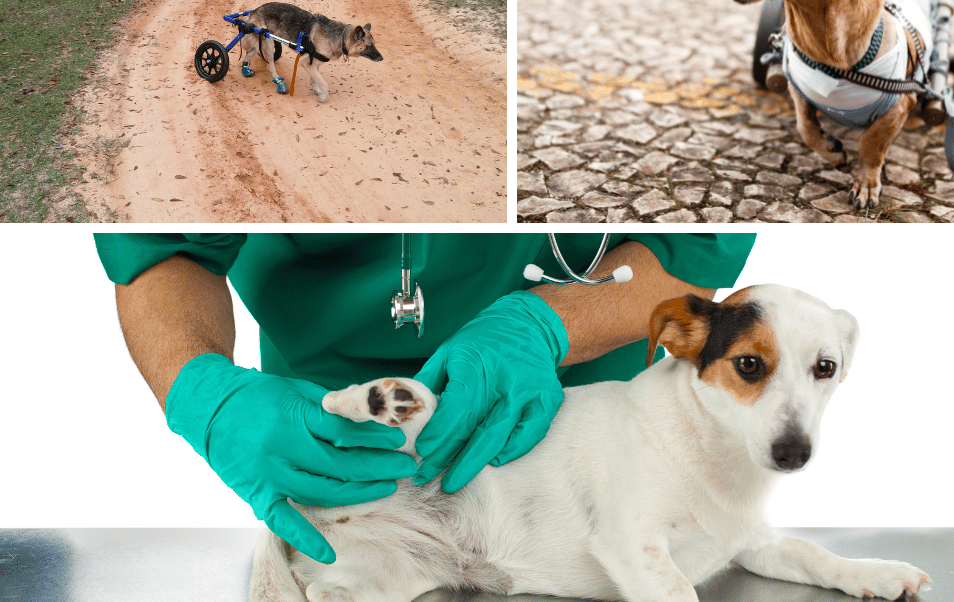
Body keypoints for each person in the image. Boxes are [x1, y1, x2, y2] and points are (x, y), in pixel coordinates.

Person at [96, 232, 755, 564]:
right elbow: (161, 247)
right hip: (336, 441)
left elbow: (695, 246)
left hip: (563, 412)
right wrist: (202, 391)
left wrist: (548, 326)